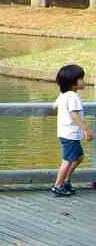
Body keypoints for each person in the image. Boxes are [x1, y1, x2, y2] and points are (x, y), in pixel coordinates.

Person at [52, 64, 89, 197]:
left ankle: (66, 180)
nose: (84, 81)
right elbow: (74, 114)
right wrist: (86, 130)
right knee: (67, 160)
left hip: (64, 133)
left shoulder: (64, 95)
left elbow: (55, 106)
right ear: (73, 83)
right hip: (71, 134)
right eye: (81, 79)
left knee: (79, 157)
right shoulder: (73, 96)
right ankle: (58, 185)